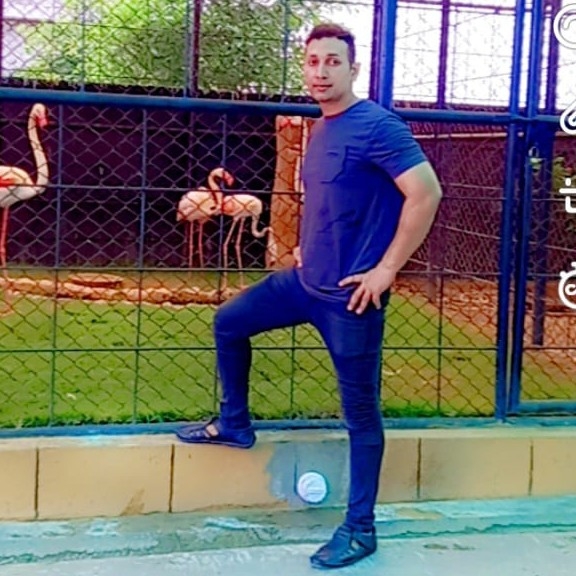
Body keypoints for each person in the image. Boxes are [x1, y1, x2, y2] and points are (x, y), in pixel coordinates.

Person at [176, 22, 443, 570]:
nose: (321, 72)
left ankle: (360, 529)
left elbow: (426, 193)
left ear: (353, 69)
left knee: (360, 415)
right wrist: (303, 245)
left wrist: (386, 269)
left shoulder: (378, 126)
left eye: (332, 61)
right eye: (313, 61)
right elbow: (328, 200)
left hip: (350, 298)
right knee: (229, 322)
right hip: (303, 283)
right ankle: (234, 423)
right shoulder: (321, 128)